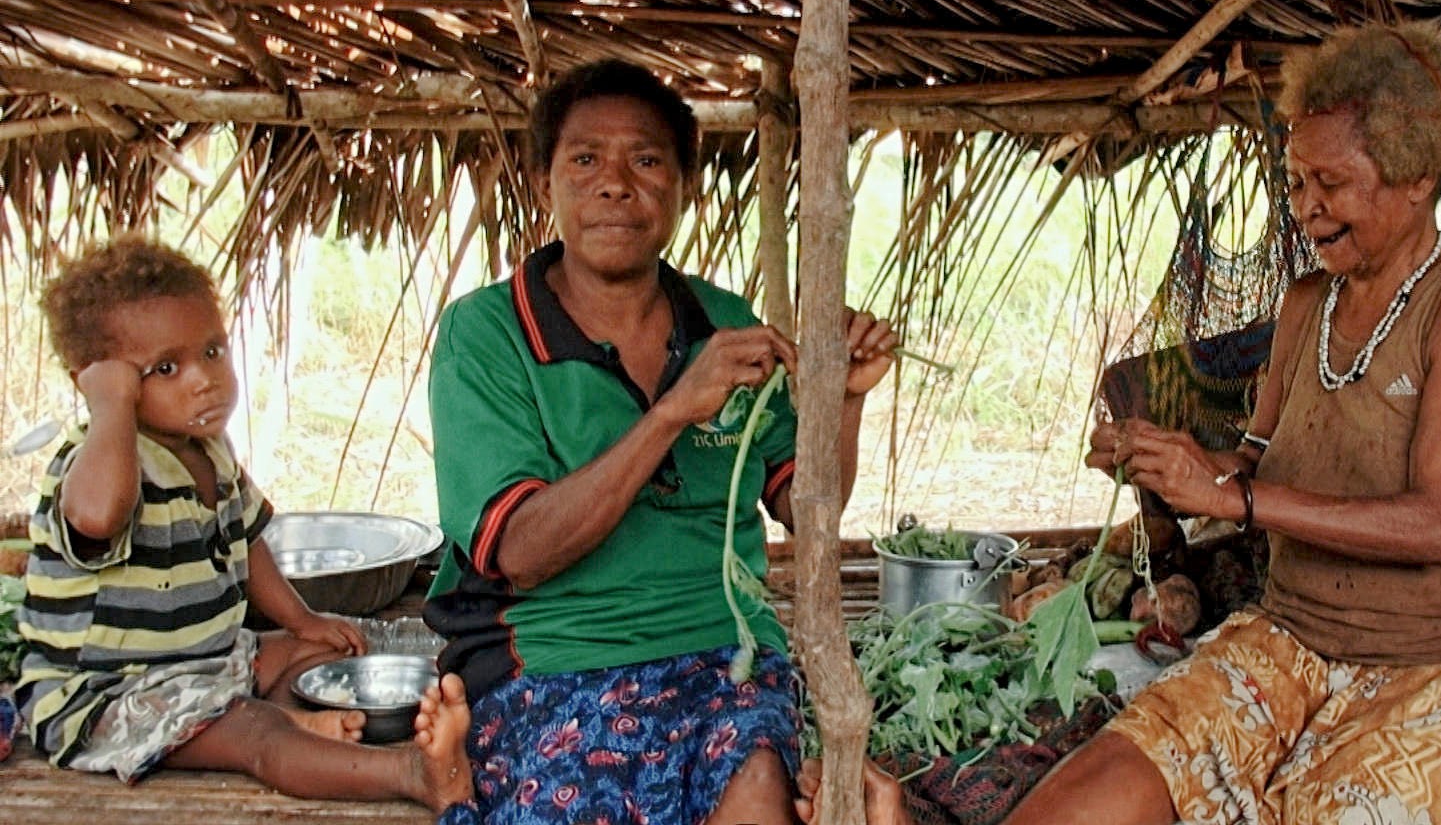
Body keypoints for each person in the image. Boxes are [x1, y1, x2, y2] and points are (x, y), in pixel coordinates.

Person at [1002, 22, 1441, 825]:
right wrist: (1177, 464)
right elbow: (1257, 466)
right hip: (1295, 637)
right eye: (1297, 180)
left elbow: (1439, 522)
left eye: (1329, 182)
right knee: (1095, 792)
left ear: (1418, 175)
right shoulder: (1307, 306)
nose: (1305, 207)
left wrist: (1237, 502)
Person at [425, 59, 899, 825]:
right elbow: (521, 549)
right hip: (551, 661)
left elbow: (806, 509)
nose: (615, 184)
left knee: (755, 795)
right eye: (585, 160)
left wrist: (842, 402)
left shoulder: (724, 321)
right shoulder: (487, 334)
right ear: (546, 183)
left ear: (685, 189)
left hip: (726, 652)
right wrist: (671, 413)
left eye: (645, 160)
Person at [13, 236, 472, 813]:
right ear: (104, 381)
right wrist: (109, 409)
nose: (204, 378)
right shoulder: (100, 463)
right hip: (106, 695)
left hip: (208, 662)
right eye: (165, 368)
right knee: (256, 734)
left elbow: (247, 542)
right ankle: (409, 773)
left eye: (212, 351)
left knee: (326, 651)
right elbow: (98, 516)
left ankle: (299, 722)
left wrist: (302, 621)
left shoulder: (211, 449)